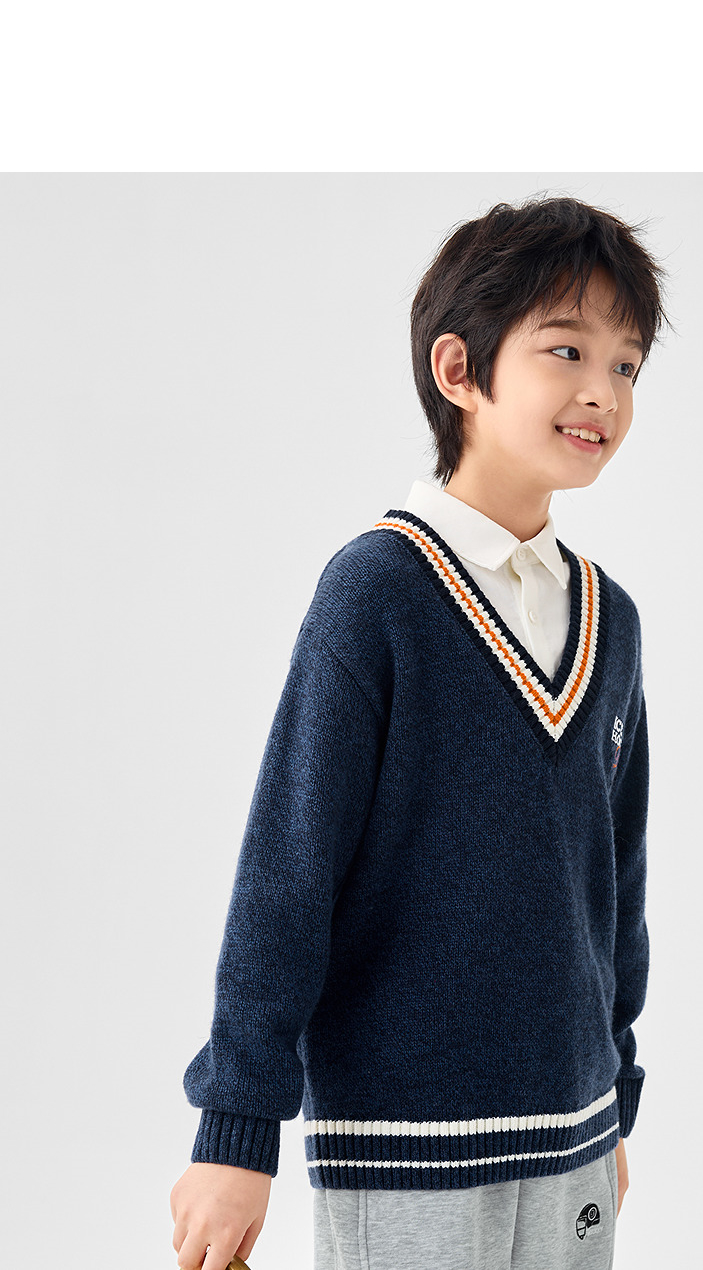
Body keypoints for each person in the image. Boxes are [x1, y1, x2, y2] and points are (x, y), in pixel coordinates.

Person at [170, 195, 671, 1270]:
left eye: (627, 365)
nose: (604, 391)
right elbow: (288, 872)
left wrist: (615, 1096)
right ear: (459, 371)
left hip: (577, 1136)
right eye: (567, 350)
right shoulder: (377, 595)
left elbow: (614, 880)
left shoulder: (612, 620)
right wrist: (236, 1128)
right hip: (406, 1145)